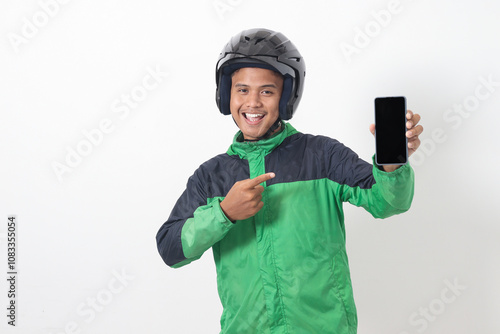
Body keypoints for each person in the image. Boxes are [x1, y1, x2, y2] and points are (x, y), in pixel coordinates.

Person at [156, 28, 423, 334]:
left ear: (286, 97)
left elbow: (388, 202)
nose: (253, 102)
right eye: (242, 90)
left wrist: (391, 166)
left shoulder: (323, 156)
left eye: (267, 91)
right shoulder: (211, 177)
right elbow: (170, 249)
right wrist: (224, 213)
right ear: (225, 93)